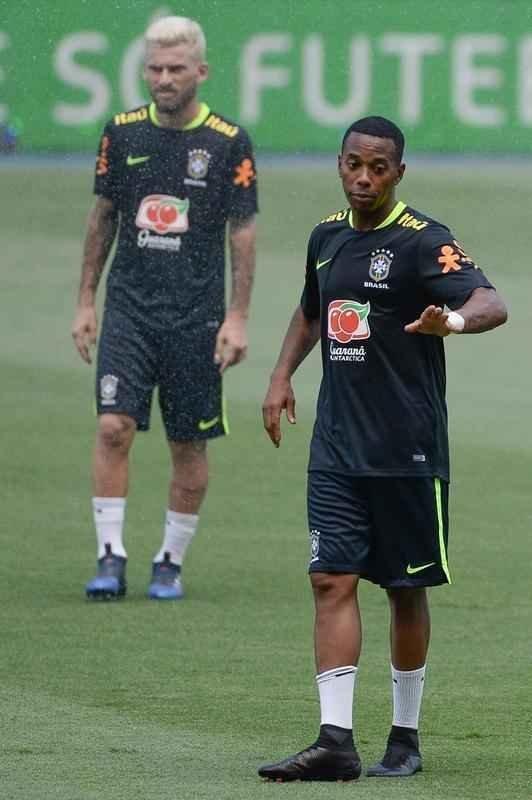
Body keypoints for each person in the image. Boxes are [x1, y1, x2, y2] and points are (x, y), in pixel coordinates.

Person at [259, 116, 507, 781]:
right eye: (353, 164)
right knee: (329, 577)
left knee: (403, 590)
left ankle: (404, 734)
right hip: (338, 445)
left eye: (378, 168)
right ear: (340, 164)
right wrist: (282, 373)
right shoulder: (327, 236)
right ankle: (335, 742)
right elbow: (313, 309)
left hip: (407, 449)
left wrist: (449, 319)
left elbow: (492, 301)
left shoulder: (426, 242)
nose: (363, 178)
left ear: (399, 172)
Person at [71, 16, 258, 601]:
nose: (164, 78)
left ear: (200, 71)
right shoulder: (121, 134)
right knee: (113, 426)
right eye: (155, 67)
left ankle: (169, 561)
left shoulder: (228, 141)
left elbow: (243, 232)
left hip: (197, 318)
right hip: (129, 309)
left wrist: (237, 316)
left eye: (176, 68)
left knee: (188, 443)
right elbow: (103, 217)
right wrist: (85, 301)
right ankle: (109, 554)